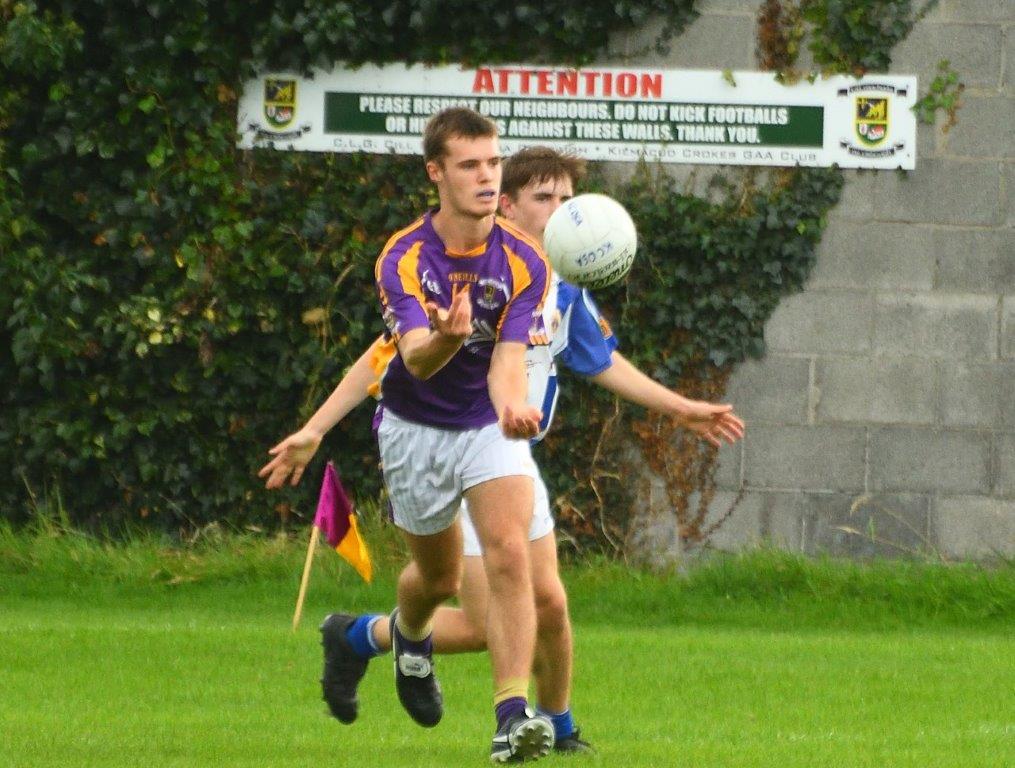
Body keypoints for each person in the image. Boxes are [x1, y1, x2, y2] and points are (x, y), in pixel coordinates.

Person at [260, 144, 745, 761]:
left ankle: (555, 726)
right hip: (447, 447)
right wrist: (317, 428)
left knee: (549, 602)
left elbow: (601, 363)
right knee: (488, 621)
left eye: (569, 198)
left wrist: (680, 408)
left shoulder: (562, 288)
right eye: (545, 198)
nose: (563, 211)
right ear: (507, 207)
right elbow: (382, 358)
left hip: (505, 452)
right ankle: (364, 636)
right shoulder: (479, 273)